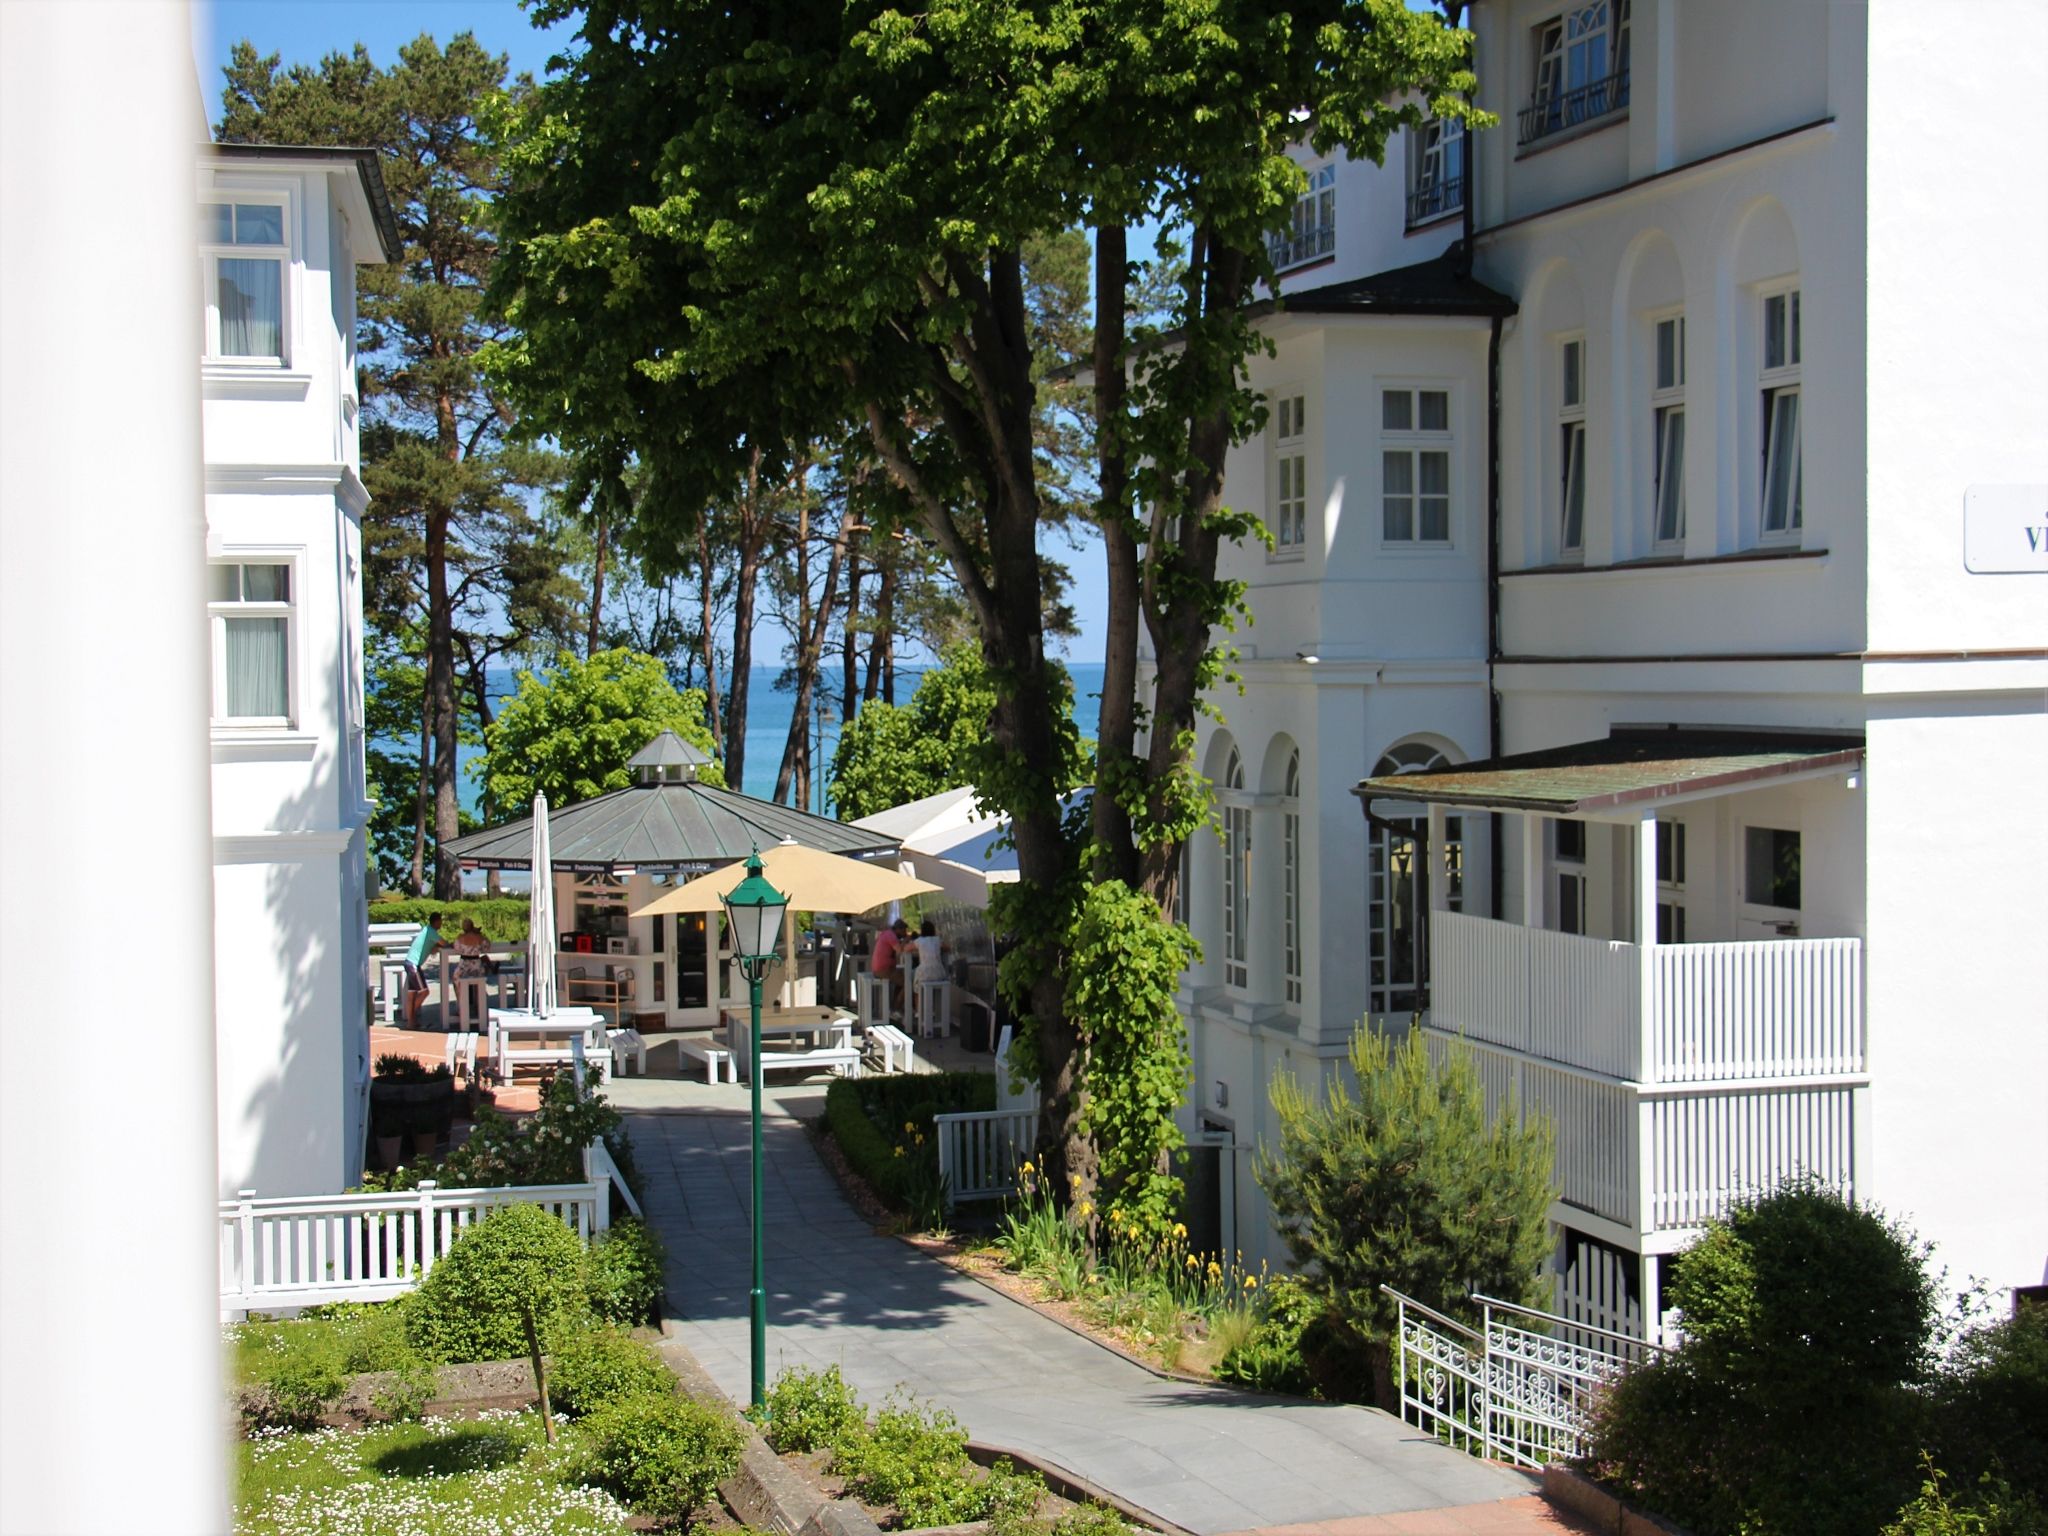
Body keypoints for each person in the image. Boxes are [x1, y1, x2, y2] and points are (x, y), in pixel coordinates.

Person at [402, 913, 446, 1029]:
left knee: (412, 994)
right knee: (424, 992)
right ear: (436, 922)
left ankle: (411, 1022)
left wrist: (434, 947)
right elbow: (444, 943)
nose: (441, 924)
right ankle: (411, 1015)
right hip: (413, 964)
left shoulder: (427, 930)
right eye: (440, 921)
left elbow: (433, 945)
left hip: (411, 963)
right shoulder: (431, 932)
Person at [870, 916, 911, 1023]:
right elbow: (900, 950)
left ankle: (895, 1007)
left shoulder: (886, 933)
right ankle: (896, 1009)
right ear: (897, 929)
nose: (904, 932)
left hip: (882, 968)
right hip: (883, 969)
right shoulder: (891, 936)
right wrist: (906, 940)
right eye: (903, 930)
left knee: (901, 980)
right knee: (908, 983)